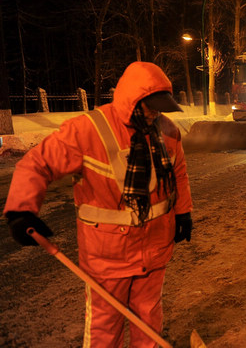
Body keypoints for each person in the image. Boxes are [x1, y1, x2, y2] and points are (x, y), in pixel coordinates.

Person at [3, 61, 193, 347]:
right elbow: (37, 164)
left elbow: (178, 173)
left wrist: (183, 212)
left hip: (155, 247)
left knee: (149, 321)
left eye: (160, 106)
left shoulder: (167, 132)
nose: (155, 112)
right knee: (106, 329)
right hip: (108, 256)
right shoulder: (87, 129)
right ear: (132, 100)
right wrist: (21, 210)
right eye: (150, 105)